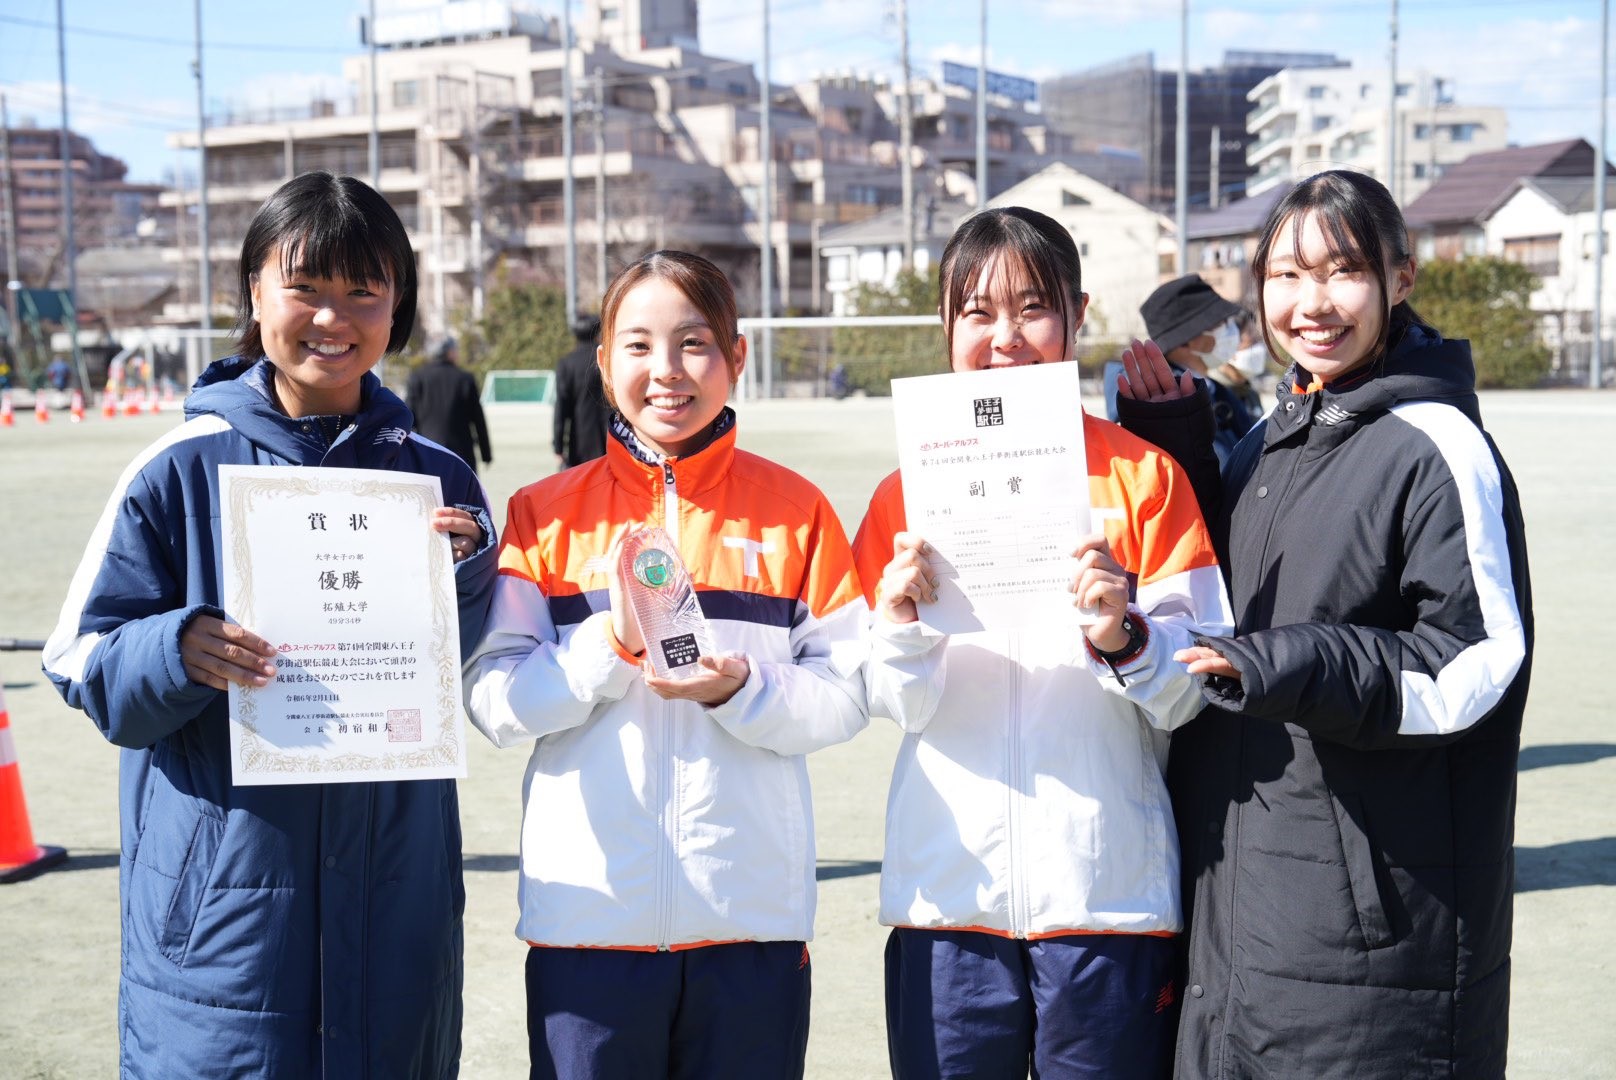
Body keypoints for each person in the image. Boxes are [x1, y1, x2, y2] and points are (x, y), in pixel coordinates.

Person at [42, 171, 498, 1079]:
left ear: (396, 303)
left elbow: (469, 669)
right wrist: (173, 650)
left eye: (363, 290)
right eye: (307, 288)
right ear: (255, 291)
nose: (334, 317)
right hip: (225, 930)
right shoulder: (175, 468)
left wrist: (470, 572)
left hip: (394, 914)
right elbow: (81, 656)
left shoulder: (438, 479)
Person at [1116, 170, 1533, 1079]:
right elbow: (1225, 609)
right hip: (1240, 928)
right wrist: (1182, 449)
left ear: (1401, 277)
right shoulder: (1268, 439)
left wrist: (1295, 662)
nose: (1313, 304)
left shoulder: (1439, 445)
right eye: (1286, 276)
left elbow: (1476, 664)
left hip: (1375, 954)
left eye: (1342, 272)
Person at [463, 249, 868, 1079]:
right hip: (589, 921)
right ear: (604, 362)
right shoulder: (542, 516)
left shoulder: (798, 512)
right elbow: (496, 701)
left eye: (694, 344)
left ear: (736, 358)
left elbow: (847, 693)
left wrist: (743, 690)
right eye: (640, 345)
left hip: (750, 919)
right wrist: (604, 650)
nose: (667, 371)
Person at [853, 206, 1235, 1079]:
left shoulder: (1145, 475)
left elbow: (1197, 681)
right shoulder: (898, 496)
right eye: (977, 312)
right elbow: (888, 700)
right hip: (947, 898)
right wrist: (903, 630)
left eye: (1031, 309)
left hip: (1105, 898)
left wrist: (1124, 633)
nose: (1004, 337)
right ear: (946, 325)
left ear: (1077, 313)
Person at [1103, 274, 1257, 465]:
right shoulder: (1157, 404)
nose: (1231, 330)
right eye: (1219, 324)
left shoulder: (1216, 391)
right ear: (1185, 341)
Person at [407, 332, 493, 473]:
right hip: (461, 455)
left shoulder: (417, 378)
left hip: (427, 452)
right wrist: (486, 454)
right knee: (462, 494)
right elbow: (478, 419)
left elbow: (409, 417)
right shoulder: (465, 379)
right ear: (450, 352)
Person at [551, 313, 611, 469]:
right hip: (611, 433)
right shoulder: (607, 359)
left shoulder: (567, 363)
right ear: (598, 332)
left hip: (579, 437)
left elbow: (561, 407)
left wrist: (558, 445)